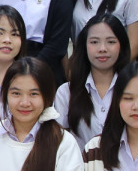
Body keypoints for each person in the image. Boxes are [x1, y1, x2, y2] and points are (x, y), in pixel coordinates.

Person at [53, 14, 130, 151]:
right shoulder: (66, 92)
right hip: (81, 164)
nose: (102, 48)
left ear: (122, 46)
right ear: (84, 46)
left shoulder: (132, 90)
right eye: (94, 42)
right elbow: (58, 143)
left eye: (111, 42)